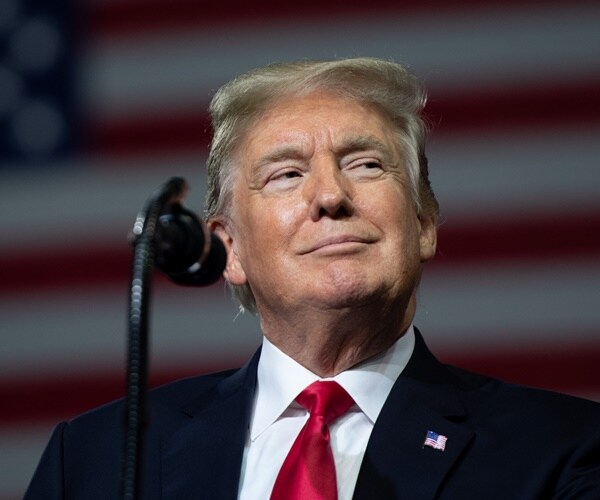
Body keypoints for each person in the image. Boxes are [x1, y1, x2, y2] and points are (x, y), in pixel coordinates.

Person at [25, 58, 600, 499]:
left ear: (424, 223)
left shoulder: (565, 451)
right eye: (286, 173)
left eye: (366, 164)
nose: (329, 196)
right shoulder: (97, 458)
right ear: (229, 248)